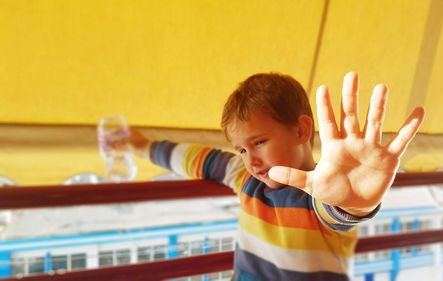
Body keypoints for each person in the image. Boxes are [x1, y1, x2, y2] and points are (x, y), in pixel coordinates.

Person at [127, 72, 425, 281]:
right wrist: (142, 147)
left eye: (259, 142)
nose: (251, 160)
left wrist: (356, 203)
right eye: (241, 149)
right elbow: (198, 159)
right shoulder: (246, 179)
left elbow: (338, 211)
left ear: (301, 130)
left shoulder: (323, 195)